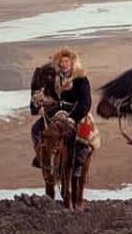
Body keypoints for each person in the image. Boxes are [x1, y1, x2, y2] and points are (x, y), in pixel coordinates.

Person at [29, 47, 95, 180]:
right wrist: (41, 101)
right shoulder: (55, 79)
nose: (63, 64)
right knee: (35, 129)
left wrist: (73, 118)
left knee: (84, 131)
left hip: (77, 111)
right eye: (61, 61)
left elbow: (86, 102)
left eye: (67, 61)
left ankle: (78, 163)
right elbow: (52, 97)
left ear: (72, 63)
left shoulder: (81, 79)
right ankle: (41, 156)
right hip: (57, 111)